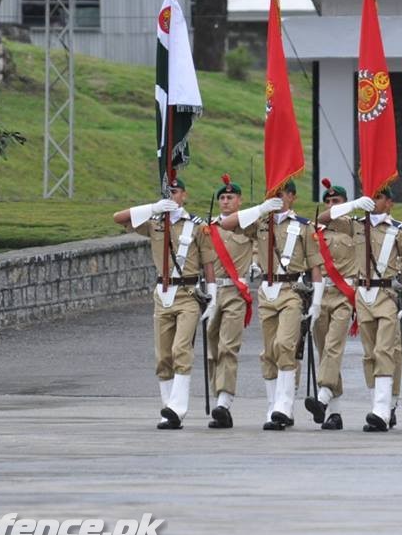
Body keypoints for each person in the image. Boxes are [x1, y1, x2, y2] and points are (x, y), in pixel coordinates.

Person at [112, 177, 217, 430]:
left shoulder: (197, 226)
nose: (172, 196)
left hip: (188, 293)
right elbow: (119, 218)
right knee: (163, 356)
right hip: (163, 292)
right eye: (168, 192)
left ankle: (178, 408)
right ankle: (167, 409)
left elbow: (209, 264)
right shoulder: (155, 222)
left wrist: (212, 296)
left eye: (176, 192)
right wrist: (153, 208)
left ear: (184, 195)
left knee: (182, 349)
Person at [221, 180, 323, 431]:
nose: (277, 199)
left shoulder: (304, 227)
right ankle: (273, 407)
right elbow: (227, 223)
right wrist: (261, 208)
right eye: (272, 195)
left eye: (281, 195)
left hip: (292, 291)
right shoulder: (262, 223)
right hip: (267, 291)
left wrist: (317, 302)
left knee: (284, 345)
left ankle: (284, 405)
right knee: (268, 353)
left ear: (292, 197)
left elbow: (315, 267)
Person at [317, 185, 402, 432]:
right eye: (372, 196)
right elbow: (322, 219)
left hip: (386, 293)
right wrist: (352, 204)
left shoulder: (400, 230)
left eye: (379, 197)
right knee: (369, 354)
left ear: (390, 203)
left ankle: (382, 410)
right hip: (363, 295)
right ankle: (378, 405)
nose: (374, 201)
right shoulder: (355, 224)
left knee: (385, 350)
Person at [303, 178, 357, 430]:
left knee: (334, 347)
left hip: (343, 294)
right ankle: (335, 413)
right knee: (324, 351)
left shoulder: (353, 227)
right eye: (328, 201)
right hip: (319, 294)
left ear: (345, 203)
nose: (331, 205)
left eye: (336, 201)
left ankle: (323, 398)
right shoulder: (316, 229)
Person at [203, 174, 254, 429]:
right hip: (213, 293)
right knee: (213, 349)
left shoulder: (247, 226)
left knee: (228, 347)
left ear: (239, 201)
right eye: (222, 198)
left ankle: (224, 401)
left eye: (230, 197)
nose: (225, 201)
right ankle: (218, 401)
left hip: (235, 293)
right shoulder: (208, 228)